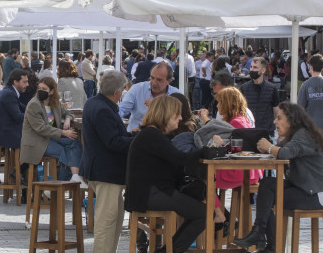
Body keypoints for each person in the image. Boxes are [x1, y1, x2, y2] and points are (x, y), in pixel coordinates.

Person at [235, 102, 323, 253]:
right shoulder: (297, 135)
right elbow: (284, 152)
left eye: (279, 118)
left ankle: (264, 238)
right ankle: (262, 237)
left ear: (291, 120)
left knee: (268, 194)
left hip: (316, 194)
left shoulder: (303, 135)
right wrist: (270, 149)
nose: (275, 122)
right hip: (304, 187)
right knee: (267, 184)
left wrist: (269, 147)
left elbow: (285, 154)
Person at [125, 95, 212, 253]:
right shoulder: (151, 135)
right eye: (176, 114)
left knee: (200, 211)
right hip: (150, 194)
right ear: (166, 114)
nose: (180, 118)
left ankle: (167, 251)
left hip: (150, 192)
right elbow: (180, 159)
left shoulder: (151, 134)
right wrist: (207, 150)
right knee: (204, 213)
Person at [80, 70, 134, 252]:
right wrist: (138, 140)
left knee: (116, 218)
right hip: (105, 171)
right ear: (117, 92)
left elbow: (114, 136)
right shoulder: (103, 109)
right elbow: (113, 142)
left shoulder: (95, 103)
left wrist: (132, 135)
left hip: (104, 170)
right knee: (107, 220)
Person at [198, 88, 262, 221]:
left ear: (227, 104)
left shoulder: (235, 122)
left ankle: (218, 213)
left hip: (240, 171)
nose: (217, 105)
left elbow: (231, 150)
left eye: (220, 102)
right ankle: (223, 218)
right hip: (251, 172)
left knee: (202, 176)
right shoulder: (243, 119)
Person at [19, 77, 86, 187]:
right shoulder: (34, 104)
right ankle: (56, 187)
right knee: (64, 153)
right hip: (37, 142)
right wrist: (64, 133)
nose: (41, 91)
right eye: (39, 88)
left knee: (76, 144)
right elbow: (41, 128)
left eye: (44, 89)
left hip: (51, 139)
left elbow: (69, 113)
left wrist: (68, 119)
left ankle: (74, 177)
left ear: (51, 91)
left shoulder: (54, 103)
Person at [297, 54, 323, 163]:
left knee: (310, 156)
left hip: (310, 127)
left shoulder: (305, 85)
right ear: (322, 67)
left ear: (310, 67)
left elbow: (301, 108)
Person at [119, 62, 179, 132]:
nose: (154, 82)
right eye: (152, 78)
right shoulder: (137, 89)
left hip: (164, 137)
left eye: (159, 80)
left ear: (169, 81)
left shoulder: (175, 95)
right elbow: (122, 110)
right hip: (135, 137)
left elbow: (179, 119)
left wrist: (157, 106)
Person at [239, 57, 280, 136]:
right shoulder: (244, 88)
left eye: (255, 67)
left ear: (263, 70)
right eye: (251, 67)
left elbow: (276, 110)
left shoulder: (272, 89)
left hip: (267, 131)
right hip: (249, 131)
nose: (252, 70)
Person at [0, 69, 28, 151]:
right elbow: (18, 117)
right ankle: (26, 163)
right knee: (33, 138)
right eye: (24, 82)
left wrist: (34, 110)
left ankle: (24, 162)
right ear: (15, 82)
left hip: (4, 131)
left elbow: (24, 108)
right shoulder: (9, 94)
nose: (27, 84)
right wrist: (34, 114)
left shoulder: (8, 91)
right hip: (5, 133)